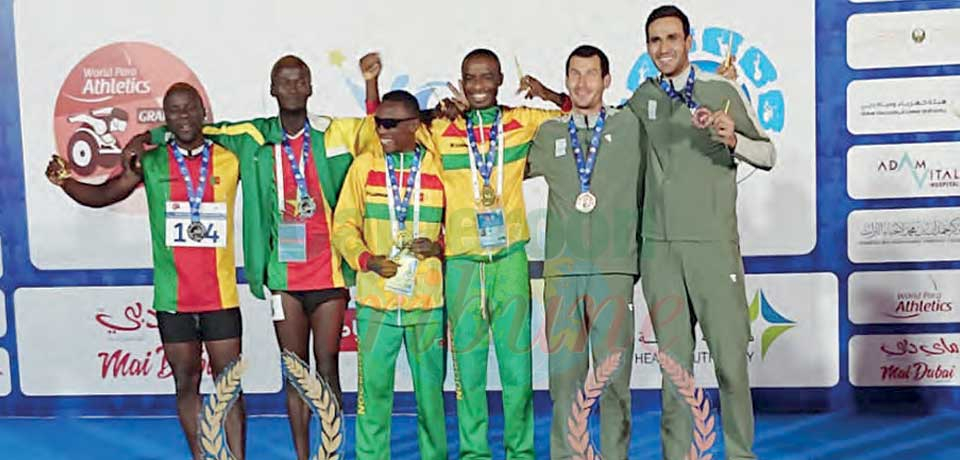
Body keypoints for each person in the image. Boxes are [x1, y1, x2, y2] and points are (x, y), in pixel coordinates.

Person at [137, 54, 380, 460]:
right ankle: (304, 456)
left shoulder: (332, 132)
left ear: (310, 86)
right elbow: (195, 128)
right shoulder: (255, 136)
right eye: (283, 82)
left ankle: (331, 452)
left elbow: (377, 129)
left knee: (328, 368)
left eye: (299, 80)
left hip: (329, 271)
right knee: (296, 373)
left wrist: (372, 82)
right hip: (283, 274)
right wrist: (150, 134)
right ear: (272, 89)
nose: (291, 87)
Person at [46, 83, 248, 460]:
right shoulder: (151, 163)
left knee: (229, 386)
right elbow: (105, 194)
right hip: (173, 298)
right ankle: (200, 457)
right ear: (166, 119)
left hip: (220, 296)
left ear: (203, 113)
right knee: (186, 384)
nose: (184, 116)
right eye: (174, 111)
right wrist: (65, 181)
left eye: (190, 109)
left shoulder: (229, 160)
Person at [626, 5, 776, 460]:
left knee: (731, 365)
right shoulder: (641, 98)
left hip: (713, 249)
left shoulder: (722, 89)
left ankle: (739, 453)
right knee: (675, 373)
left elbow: (768, 154)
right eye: (655, 40)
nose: (663, 48)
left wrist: (734, 139)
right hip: (661, 254)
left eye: (672, 38)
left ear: (689, 41)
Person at [527, 44, 645, 460]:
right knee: (565, 382)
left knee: (614, 380)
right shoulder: (548, 134)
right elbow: (503, 162)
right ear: (566, 81)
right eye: (574, 74)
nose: (582, 82)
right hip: (562, 272)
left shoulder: (631, 126)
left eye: (591, 74)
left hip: (613, 270)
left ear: (607, 80)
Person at [332, 90, 447, 460]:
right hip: (375, 303)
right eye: (378, 122)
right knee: (373, 400)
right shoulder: (364, 167)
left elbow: (461, 222)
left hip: (426, 302)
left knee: (431, 400)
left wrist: (440, 246)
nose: (380, 129)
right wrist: (366, 259)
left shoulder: (439, 168)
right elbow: (344, 225)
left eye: (390, 123)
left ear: (414, 126)